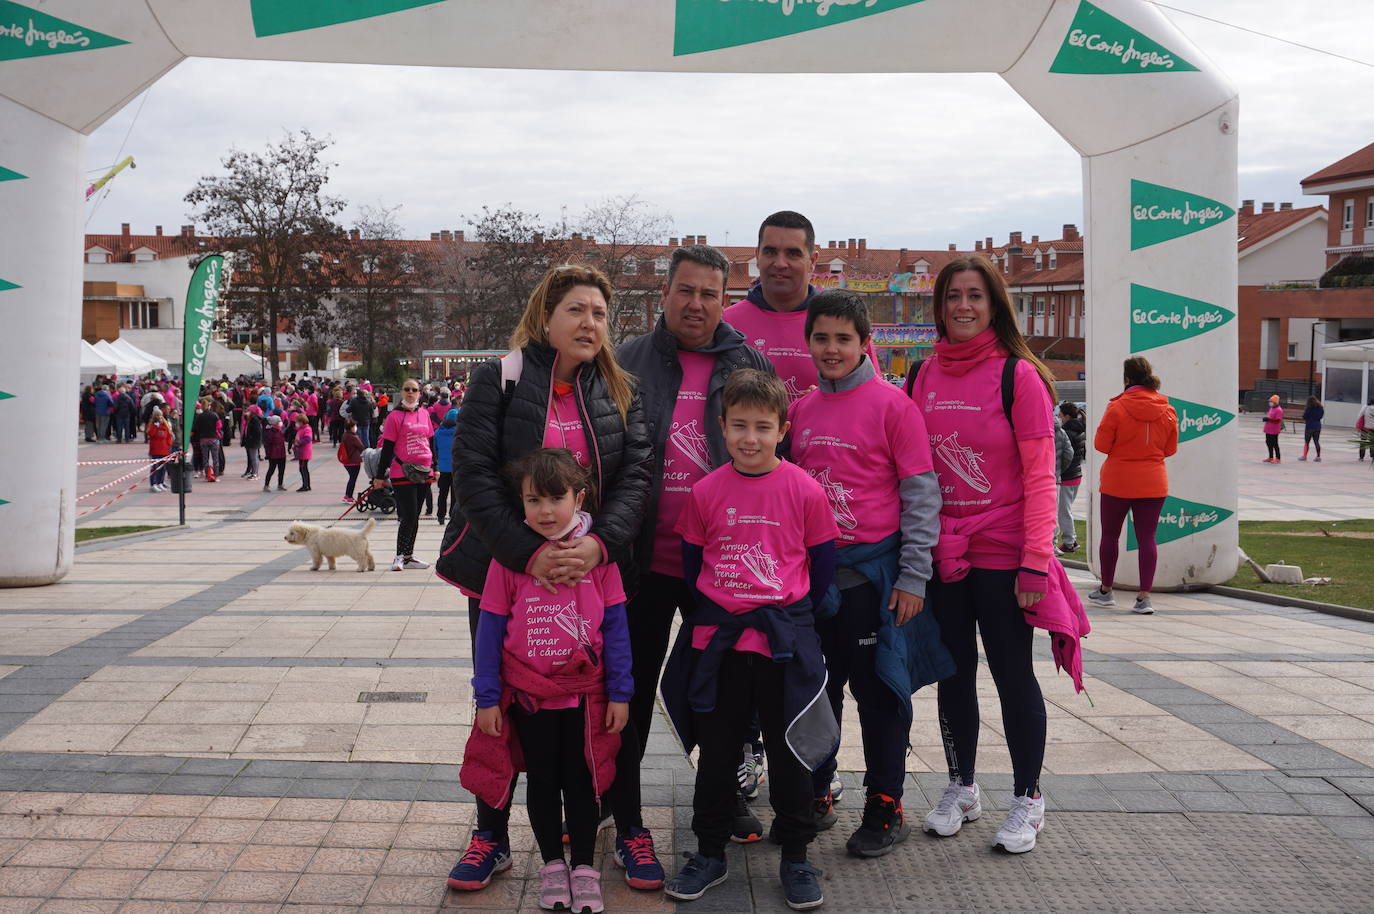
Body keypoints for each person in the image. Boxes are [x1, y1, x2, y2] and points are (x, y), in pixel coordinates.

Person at [438, 263, 652, 895]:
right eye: (576, 310)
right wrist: (527, 554)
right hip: (505, 575)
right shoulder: (499, 379)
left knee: (606, 704)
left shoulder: (620, 389)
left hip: (593, 574)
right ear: (546, 317)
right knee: (502, 706)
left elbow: (637, 476)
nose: (590, 323)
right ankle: (491, 835)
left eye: (600, 314)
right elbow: (473, 474)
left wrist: (599, 545)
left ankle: (623, 827)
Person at [614, 244, 774, 847]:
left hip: (720, 564)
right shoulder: (627, 360)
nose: (696, 303)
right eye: (686, 290)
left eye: (709, 293)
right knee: (628, 685)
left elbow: (769, 457)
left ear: (725, 300)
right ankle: (618, 800)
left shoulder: (747, 362)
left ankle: (722, 796)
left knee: (724, 691)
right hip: (643, 560)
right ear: (665, 293)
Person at [661, 369, 838, 910]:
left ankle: (796, 855)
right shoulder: (706, 491)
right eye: (739, 425)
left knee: (790, 754)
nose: (750, 438)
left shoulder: (805, 490)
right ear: (722, 426)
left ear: (783, 430)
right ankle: (709, 851)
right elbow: (693, 565)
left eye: (763, 427)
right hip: (722, 646)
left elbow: (822, 567)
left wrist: (781, 611)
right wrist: (730, 607)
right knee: (717, 754)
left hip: (783, 643)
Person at [785, 290, 948, 858]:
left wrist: (913, 577)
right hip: (814, 583)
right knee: (816, 693)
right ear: (808, 342)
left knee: (878, 695)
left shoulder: (893, 406)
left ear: (865, 343)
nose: (831, 349)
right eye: (821, 338)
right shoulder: (801, 410)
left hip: (874, 582)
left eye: (843, 339)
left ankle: (885, 802)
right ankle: (817, 790)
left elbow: (920, 496)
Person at [907, 255, 1058, 854]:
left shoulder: (1019, 377)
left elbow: (1041, 476)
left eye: (974, 295)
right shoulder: (922, 375)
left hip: (1004, 555)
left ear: (994, 304)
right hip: (945, 555)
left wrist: (1036, 560)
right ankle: (962, 786)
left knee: (1012, 674)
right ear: (939, 306)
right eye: (952, 296)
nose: (963, 306)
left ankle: (1028, 797)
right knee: (953, 675)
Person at [460, 448, 631, 914]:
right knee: (541, 781)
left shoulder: (600, 560)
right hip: (530, 698)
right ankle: (553, 866)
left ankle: (584, 868)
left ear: (579, 499)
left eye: (556, 498)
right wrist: (487, 697)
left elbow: (617, 630)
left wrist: (621, 692)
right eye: (533, 500)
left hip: (586, 698)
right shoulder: (509, 562)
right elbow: (489, 633)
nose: (545, 511)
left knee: (582, 781)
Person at [1087, 356, 1178, 615]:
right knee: (1147, 538)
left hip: (1118, 480)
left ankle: (1106, 590)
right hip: (1153, 481)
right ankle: (1144, 597)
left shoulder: (1117, 407)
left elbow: (1101, 445)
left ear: (1126, 379)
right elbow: (1170, 449)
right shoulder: (1168, 409)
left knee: (1110, 535)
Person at [372, 379, 435, 571]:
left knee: (415, 516)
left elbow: (431, 441)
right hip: (402, 471)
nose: (410, 392)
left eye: (414, 390)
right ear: (401, 392)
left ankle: (409, 557)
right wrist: (379, 475)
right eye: (407, 389)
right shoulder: (394, 416)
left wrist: (436, 467)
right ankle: (399, 556)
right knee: (408, 515)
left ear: (419, 393)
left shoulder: (424, 413)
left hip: (424, 471)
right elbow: (387, 448)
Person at [1056, 402, 1086, 553]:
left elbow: (1067, 455)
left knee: (1064, 512)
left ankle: (1070, 542)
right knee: (1066, 510)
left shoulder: (1066, 432)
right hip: (1076, 475)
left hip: (1067, 477)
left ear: (1067, 416)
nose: (1058, 418)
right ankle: (1070, 540)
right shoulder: (1080, 430)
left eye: (1060, 415)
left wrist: (1060, 470)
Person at [434, 408, 458, 524]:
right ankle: (453, 516)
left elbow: (435, 450)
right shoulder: (459, 432)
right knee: (455, 494)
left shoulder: (438, 432)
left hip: (442, 468)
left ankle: (440, 516)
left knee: (442, 493)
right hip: (456, 468)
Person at [146, 407, 173, 492]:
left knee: (163, 467)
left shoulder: (165, 424)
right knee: (155, 468)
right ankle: (153, 483)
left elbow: (169, 435)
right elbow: (150, 434)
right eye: (157, 415)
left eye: (160, 415)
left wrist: (169, 444)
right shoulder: (152, 424)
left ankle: (160, 482)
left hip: (164, 449)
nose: (159, 417)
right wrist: (155, 427)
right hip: (155, 449)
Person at [340, 419, 365, 503]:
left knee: (351, 478)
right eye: (354, 426)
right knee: (353, 479)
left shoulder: (345, 435)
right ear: (351, 428)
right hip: (354, 461)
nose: (355, 428)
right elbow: (361, 447)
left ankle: (347, 495)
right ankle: (349, 496)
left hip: (347, 461)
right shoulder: (354, 437)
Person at [262, 415, 288, 491]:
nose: (280, 422)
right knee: (271, 470)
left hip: (282, 453)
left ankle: (280, 484)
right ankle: (266, 485)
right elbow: (267, 445)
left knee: (281, 470)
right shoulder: (270, 432)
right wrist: (268, 454)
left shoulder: (280, 430)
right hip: (273, 454)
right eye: (279, 421)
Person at [291, 413, 314, 492]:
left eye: (298, 421)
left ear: (302, 422)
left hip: (305, 452)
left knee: (303, 469)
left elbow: (308, 439)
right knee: (302, 469)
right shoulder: (301, 429)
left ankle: (306, 485)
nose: (296, 423)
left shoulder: (307, 429)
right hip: (301, 452)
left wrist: (299, 442)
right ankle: (306, 484)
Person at [1262, 394, 1285, 463]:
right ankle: (1270, 457)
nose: (1270, 403)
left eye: (1271, 402)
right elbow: (1270, 416)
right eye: (1270, 401)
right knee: (1268, 442)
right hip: (1268, 429)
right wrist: (1266, 419)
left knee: (1275, 443)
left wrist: (1269, 419)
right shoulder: (1271, 408)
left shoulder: (1279, 410)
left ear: (1275, 402)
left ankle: (1278, 457)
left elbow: (1278, 420)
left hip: (1274, 429)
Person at [241, 405, 263, 480]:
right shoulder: (250, 419)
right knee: (253, 457)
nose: (246, 412)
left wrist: (251, 438)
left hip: (253, 442)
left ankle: (255, 474)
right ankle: (254, 472)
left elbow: (257, 432)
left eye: (248, 411)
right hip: (250, 441)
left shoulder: (255, 420)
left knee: (254, 458)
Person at [1300, 396, 1324, 462]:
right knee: (1316, 441)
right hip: (1317, 426)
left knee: (1307, 442)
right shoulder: (1320, 408)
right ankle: (1318, 456)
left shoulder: (1309, 408)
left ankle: (1304, 456)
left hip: (1309, 426)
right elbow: (1321, 416)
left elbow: (1304, 416)